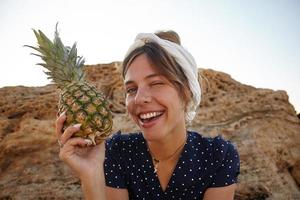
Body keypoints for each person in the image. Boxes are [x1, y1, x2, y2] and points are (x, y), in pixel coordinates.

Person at [56, 30, 240, 200]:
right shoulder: (116, 153)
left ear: (187, 91)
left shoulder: (218, 156)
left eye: (156, 83)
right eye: (131, 89)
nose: (139, 98)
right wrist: (92, 174)